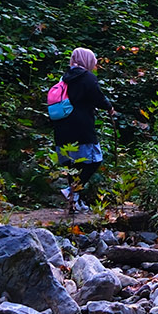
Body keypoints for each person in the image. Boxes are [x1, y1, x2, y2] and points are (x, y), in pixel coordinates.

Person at [52, 47, 114, 210]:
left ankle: (74, 201)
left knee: (73, 165)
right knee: (94, 160)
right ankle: (70, 191)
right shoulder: (87, 77)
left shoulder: (64, 78)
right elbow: (98, 97)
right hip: (81, 127)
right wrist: (109, 107)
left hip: (62, 127)